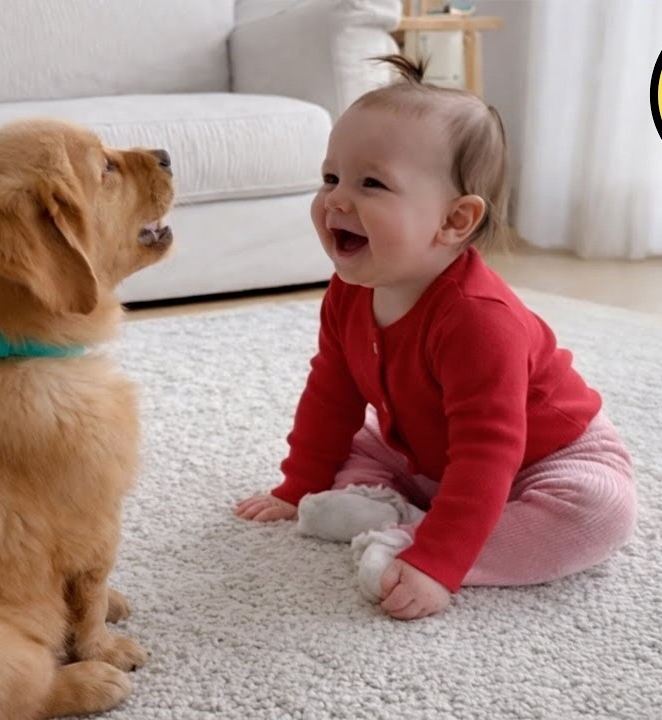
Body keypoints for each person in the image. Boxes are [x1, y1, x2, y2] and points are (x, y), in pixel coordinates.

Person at [233, 56, 637, 621]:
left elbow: (488, 453)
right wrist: (297, 485)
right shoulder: (351, 289)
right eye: (331, 178)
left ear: (454, 221)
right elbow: (333, 393)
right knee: (363, 441)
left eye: (371, 183)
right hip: (427, 445)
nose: (337, 201)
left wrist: (439, 563)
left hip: (541, 453)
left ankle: (422, 541)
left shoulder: (478, 320)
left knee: (599, 511)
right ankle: (387, 503)